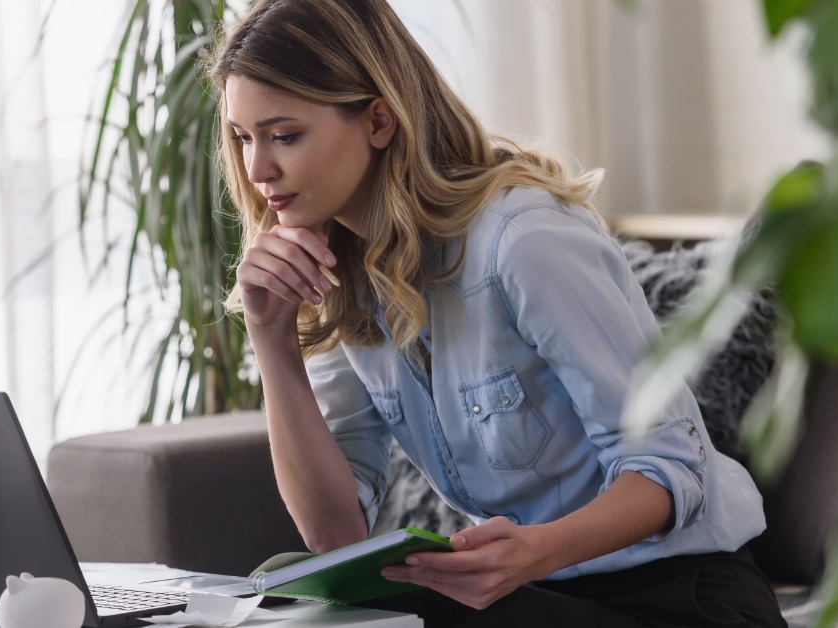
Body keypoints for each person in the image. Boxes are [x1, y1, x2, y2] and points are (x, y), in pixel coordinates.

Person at [210, 0, 786, 626]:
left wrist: (532, 554)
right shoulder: (336, 272)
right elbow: (335, 536)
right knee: (284, 586)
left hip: (676, 596)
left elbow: (671, 470)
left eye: (284, 136)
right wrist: (272, 338)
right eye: (243, 138)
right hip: (534, 599)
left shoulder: (525, 239)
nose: (257, 169)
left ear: (379, 120)